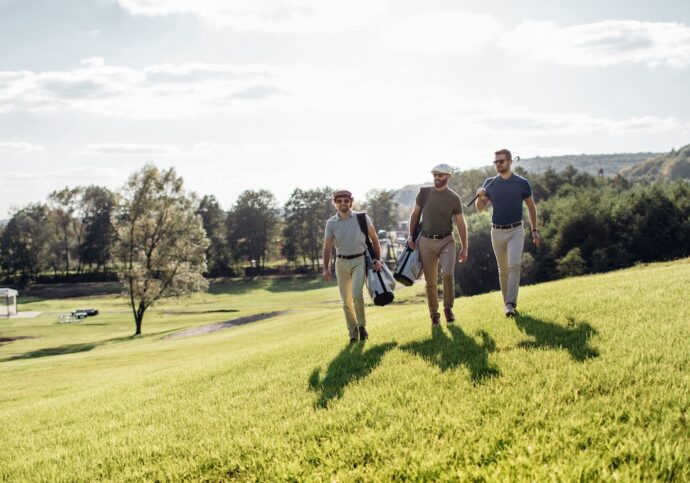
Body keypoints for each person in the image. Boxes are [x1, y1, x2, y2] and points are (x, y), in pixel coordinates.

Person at [475, 149, 541, 317]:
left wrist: (534, 230)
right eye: (496, 162)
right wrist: (480, 196)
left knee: (514, 265)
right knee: (503, 270)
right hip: (496, 232)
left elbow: (531, 207)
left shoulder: (522, 183)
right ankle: (507, 305)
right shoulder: (490, 183)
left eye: (501, 161)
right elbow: (480, 209)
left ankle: (510, 304)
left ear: (510, 162)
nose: (498, 164)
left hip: (516, 230)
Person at [407, 164, 468, 325]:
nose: (437, 178)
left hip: (447, 240)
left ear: (448, 177)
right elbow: (414, 215)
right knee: (431, 282)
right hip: (426, 242)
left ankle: (448, 308)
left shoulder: (454, 198)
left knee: (448, 274)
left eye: (441, 175)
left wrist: (465, 247)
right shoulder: (424, 193)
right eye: (435, 175)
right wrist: (410, 237)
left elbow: (461, 224)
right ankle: (434, 314)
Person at [323, 189, 383, 343]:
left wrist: (378, 259)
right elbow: (327, 247)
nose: (343, 203)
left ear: (351, 202)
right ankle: (352, 333)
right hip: (341, 264)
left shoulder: (362, 218)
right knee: (346, 301)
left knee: (357, 294)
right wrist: (325, 268)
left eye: (346, 200)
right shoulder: (331, 223)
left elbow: (375, 239)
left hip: (359, 261)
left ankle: (362, 326)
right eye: (339, 201)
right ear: (335, 203)